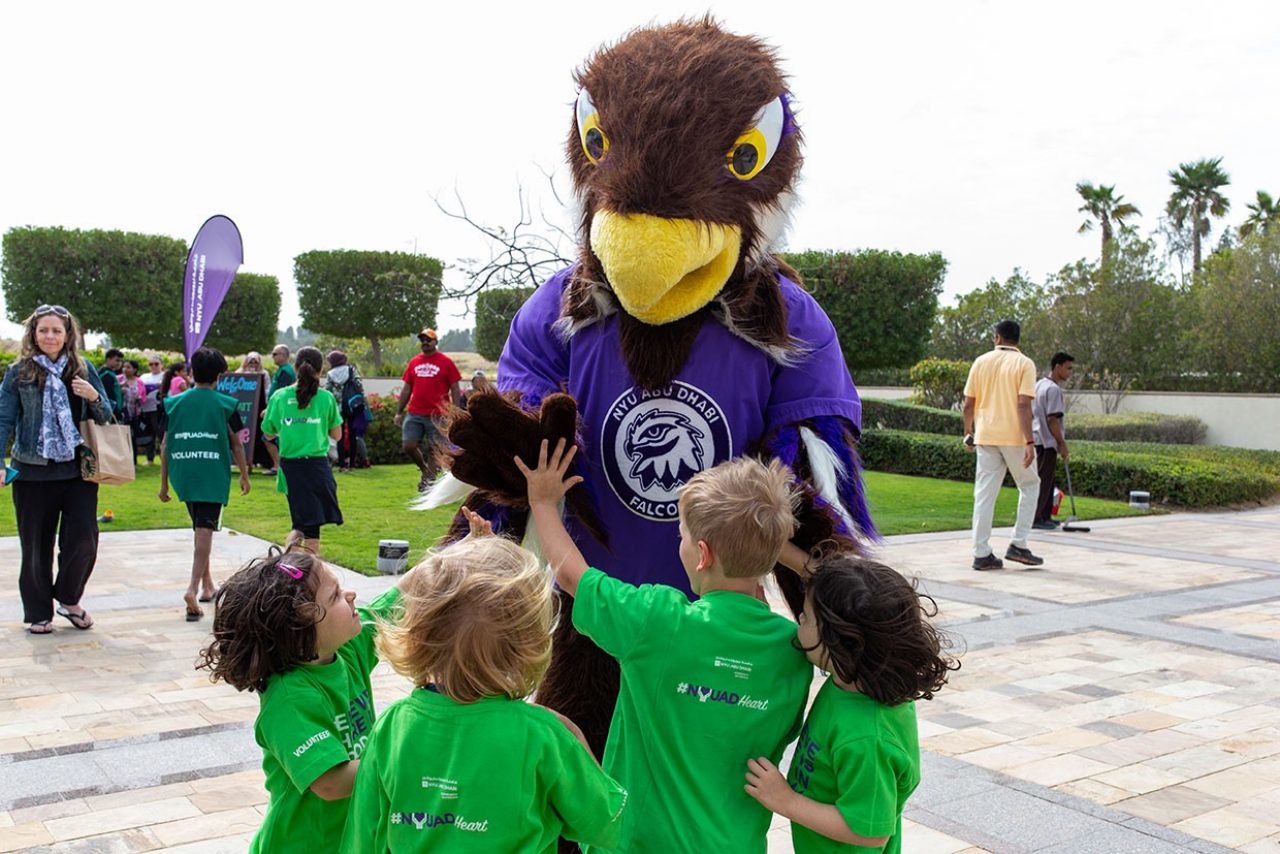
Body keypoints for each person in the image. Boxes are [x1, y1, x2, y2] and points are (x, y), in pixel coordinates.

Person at [519, 442, 812, 852]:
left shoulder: (656, 621)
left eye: (682, 536)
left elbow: (571, 576)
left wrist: (543, 503)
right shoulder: (794, 653)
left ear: (702, 555)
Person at [341, 514, 628, 852]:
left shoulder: (393, 726)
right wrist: (578, 743)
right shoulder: (543, 735)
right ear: (528, 645)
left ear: (421, 636)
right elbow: (609, 826)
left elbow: (362, 838)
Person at [744, 555, 959, 853]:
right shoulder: (855, 679)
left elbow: (870, 833)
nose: (799, 620)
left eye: (807, 617)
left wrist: (786, 800)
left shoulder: (866, 738)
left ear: (840, 643)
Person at [197, 548, 405, 853]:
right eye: (335, 596)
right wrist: (406, 758)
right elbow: (332, 782)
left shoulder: (346, 651)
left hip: (349, 839)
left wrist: (459, 550)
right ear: (302, 629)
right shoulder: (290, 699)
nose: (350, 595)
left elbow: (401, 597)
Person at [0, 304, 113, 634]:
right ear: (34, 334)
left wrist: (93, 396)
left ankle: (68, 598)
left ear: (67, 335)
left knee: (84, 540)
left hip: (78, 472)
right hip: (31, 472)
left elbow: (108, 415)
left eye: (56, 331)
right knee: (36, 546)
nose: (50, 336)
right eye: (43, 330)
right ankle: (38, 611)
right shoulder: (19, 372)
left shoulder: (83, 369)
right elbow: (3, 419)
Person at [158, 347, 252, 621]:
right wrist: (244, 475)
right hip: (212, 474)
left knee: (201, 530)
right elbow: (237, 444)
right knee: (205, 531)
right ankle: (192, 588)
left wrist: (163, 484)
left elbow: (164, 445)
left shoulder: (173, 403)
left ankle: (208, 585)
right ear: (219, 375)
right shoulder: (226, 404)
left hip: (184, 473)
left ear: (192, 372)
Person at [962, 319, 1044, 570]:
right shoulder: (1024, 364)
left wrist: (968, 432)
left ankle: (981, 553)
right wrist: (1029, 441)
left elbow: (968, 404)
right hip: (1014, 437)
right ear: (1017, 339)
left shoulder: (980, 362)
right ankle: (1018, 543)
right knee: (1029, 485)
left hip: (986, 436)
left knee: (984, 495)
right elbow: (1023, 405)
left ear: (998, 337)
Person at [261, 346, 343, 555]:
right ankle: (304, 570)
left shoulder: (279, 397)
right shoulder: (326, 398)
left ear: (296, 367)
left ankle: (289, 566)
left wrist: (287, 427)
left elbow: (268, 433)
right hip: (317, 467)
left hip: (290, 467)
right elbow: (337, 435)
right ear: (321, 369)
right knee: (309, 527)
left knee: (301, 523)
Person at [394, 328, 462, 492]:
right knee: (408, 445)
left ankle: (428, 481)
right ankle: (425, 469)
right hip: (415, 413)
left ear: (435, 342)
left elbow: (455, 387)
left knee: (435, 450)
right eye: (422, 340)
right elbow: (406, 389)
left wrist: (456, 411)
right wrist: (398, 412)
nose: (425, 342)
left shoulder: (446, 362)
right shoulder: (414, 362)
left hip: (438, 414)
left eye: (428, 340)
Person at [1033, 352, 1074, 530]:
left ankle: (1045, 515)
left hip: (1036, 438)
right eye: (1068, 368)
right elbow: (1052, 419)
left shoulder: (1039, 385)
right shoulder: (1054, 389)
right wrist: (1061, 442)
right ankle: (1037, 518)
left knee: (1045, 479)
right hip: (1047, 440)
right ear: (1058, 367)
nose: (1070, 373)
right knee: (1044, 480)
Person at [324, 350, 368, 473]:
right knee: (353, 435)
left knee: (340, 436)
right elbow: (359, 385)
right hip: (352, 405)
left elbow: (328, 390)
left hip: (338, 407)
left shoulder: (330, 374)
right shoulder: (351, 370)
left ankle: (342, 465)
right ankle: (352, 464)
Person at [238, 352, 275, 471]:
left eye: (255, 362)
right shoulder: (240, 372)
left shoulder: (264, 373)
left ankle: (261, 460)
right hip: (245, 408)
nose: (253, 364)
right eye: (251, 362)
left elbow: (268, 389)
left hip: (259, 407)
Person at [118, 359, 148, 464]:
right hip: (122, 412)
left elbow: (144, 397)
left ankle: (134, 459)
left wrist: (139, 398)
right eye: (124, 367)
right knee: (122, 435)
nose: (125, 369)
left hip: (134, 413)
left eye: (128, 367)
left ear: (135, 369)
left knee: (133, 436)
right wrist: (120, 389)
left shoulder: (139, 382)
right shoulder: (119, 379)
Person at [140, 356, 166, 464]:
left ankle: (163, 457)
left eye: (156, 364)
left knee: (160, 432)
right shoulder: (144, 377)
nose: (154, 366)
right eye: (151, 364)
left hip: (159, 408)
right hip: (146, 408)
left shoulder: (165, 376)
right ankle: (149, 458)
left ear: (161, 365)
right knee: (148, 433)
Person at [98, 348, 124, 418]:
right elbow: (108, 395)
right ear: (108, 359)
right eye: (117, 360)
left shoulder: (109, 372)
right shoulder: (106, 374)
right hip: (111, 412)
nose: (119, 363)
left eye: (121, 361)